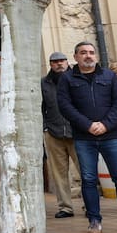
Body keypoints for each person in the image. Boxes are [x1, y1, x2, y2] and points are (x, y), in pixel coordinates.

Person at [56, 41, 117, 233]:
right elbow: (65, 106)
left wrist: (105, 124)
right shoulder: (67, 79)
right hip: (83, 137)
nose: (88, 56)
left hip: (111, 135)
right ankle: (94, 221)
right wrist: (88, 125)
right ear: (76, 57)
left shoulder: (109, 76)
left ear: (95, 55)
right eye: (83, 53)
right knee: (88, 180)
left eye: (91, 52)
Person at [42, 52, 80, 219]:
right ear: (50, 64)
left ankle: (90, 204)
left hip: (78, 132)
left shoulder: (77, 79)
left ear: (67, 62)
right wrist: (45, 128)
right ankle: (65, 207)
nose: (59, 64)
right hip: (54, 132)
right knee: (59, 173)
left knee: (85, 170)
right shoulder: (44, 83)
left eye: (61, 61)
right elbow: (40, 107)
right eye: (55, 62)